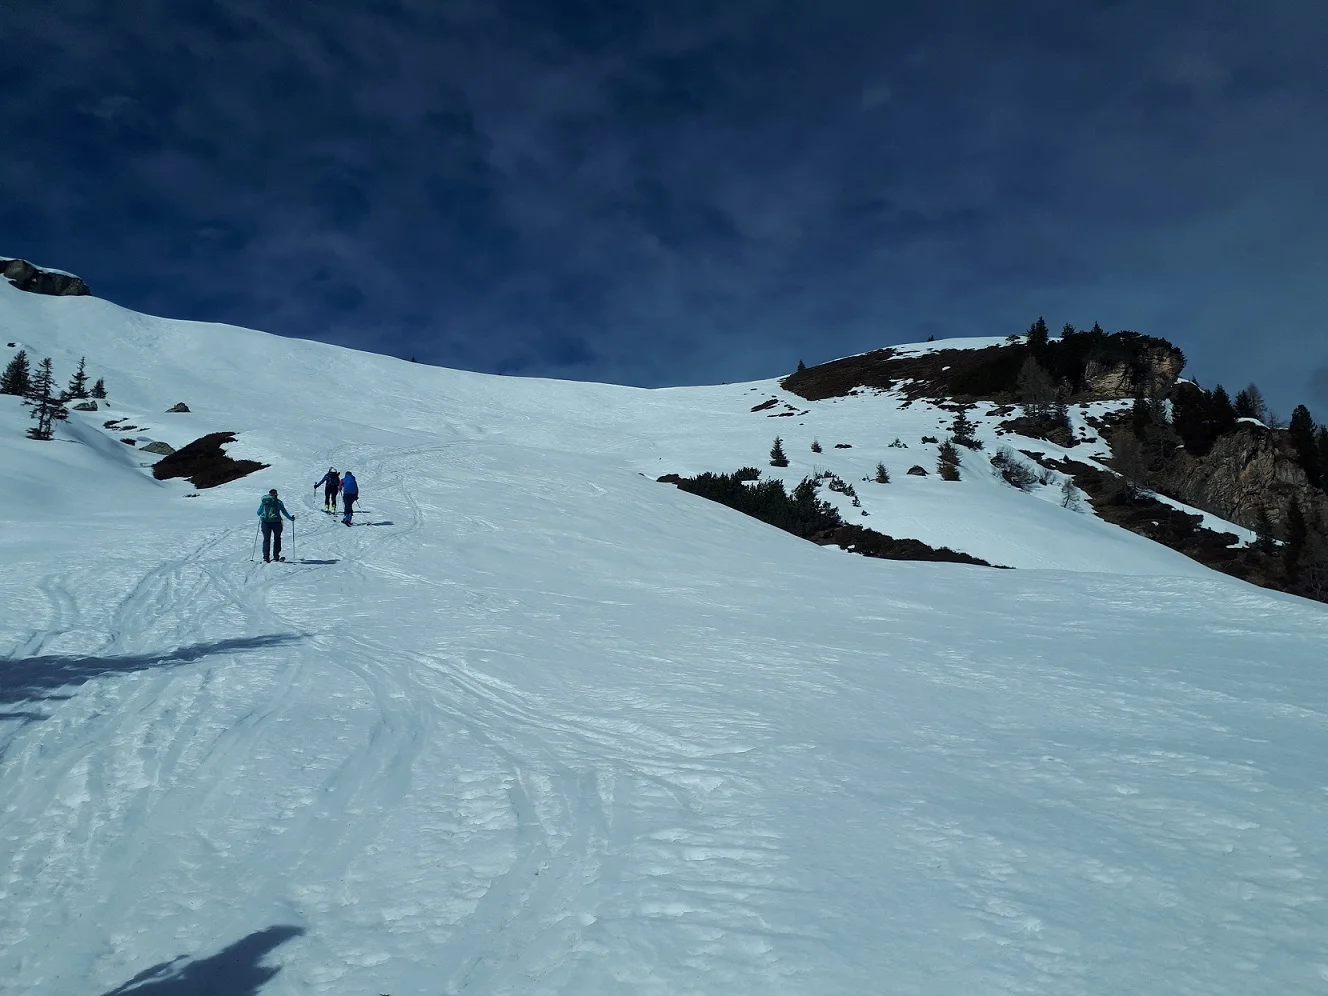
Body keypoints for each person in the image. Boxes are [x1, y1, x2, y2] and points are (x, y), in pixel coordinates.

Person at [256, 488, 295, 561]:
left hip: (265, 523)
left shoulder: (264, 502)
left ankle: (266, 557)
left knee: (266, 540)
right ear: (276, 494)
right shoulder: (279, 502)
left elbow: (258, 513)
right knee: (277, 538)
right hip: (276, 523)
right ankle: (276, 556)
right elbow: (284, 512)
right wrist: (291, 518)